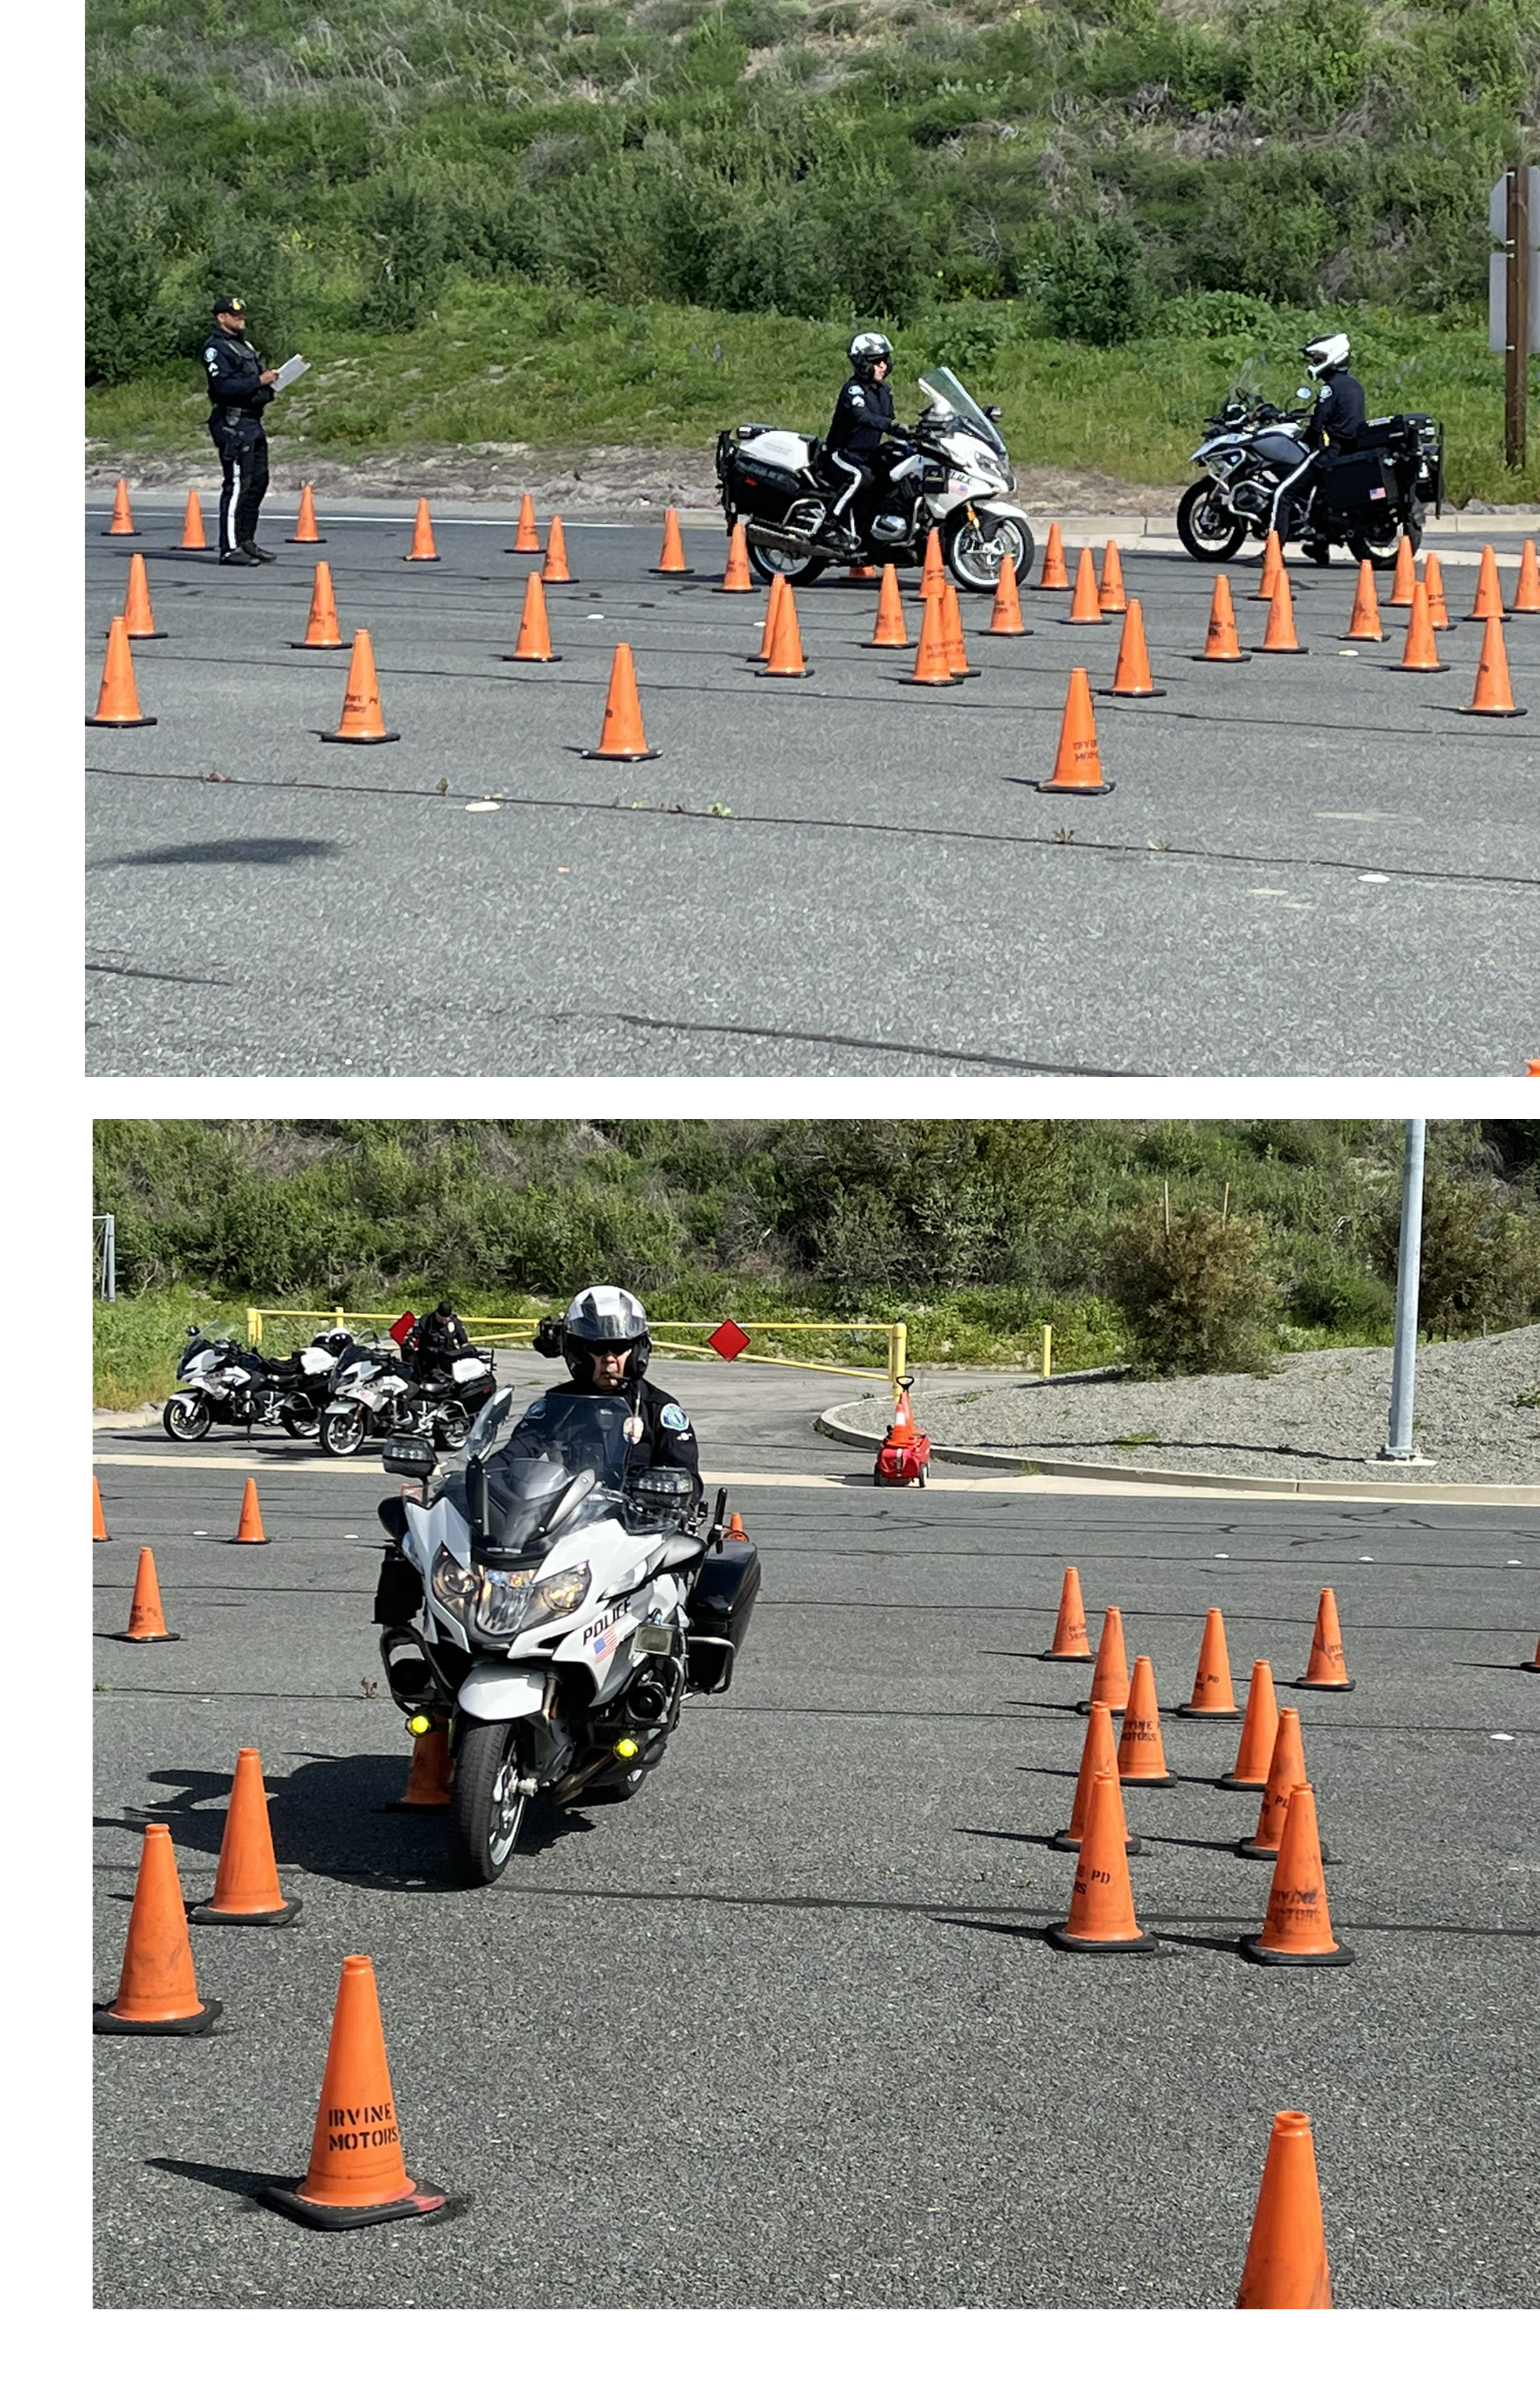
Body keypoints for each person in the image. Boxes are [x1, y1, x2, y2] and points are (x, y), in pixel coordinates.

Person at [540, 1286, 702, 1495]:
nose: (609, 1359)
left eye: (619, 1347)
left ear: (637, 1350)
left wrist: (654, 1492)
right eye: (597, 1348)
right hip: (566, 1518)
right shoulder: (557, 1405)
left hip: (641, 1523)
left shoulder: (658, 1410)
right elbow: (516, 1454)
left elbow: (689, 1481)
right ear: (577, 1351)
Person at [1270, 331, 1368, 553]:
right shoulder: (1355, 386)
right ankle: (1319, 546)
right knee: (1319, 496)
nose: (1315, 364)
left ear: (1332, 357)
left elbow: (1318, 423)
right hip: (1349, 450)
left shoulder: (1330, 388)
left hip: (1330, 451)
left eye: (1318, 359)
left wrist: (1305, 438)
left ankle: (1272, 552)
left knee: (1284, 493)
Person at [203, 295, 279, 565]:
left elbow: (251, 382)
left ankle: (246, 539)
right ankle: (229, 548)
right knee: (236, 485)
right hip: (232, 424)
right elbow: (223, 387)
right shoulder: (216, 349)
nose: (241, 319)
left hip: (253, 422)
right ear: (221, 317)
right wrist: (259, 380)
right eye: (235, 315)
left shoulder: (243, 346)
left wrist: (270, 384)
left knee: (258, 482)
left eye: (242, 315)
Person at [821, 331, 898, 558]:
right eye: (876, 361)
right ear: (862, 363)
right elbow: (862, 415)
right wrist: (892, 426)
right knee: (858, 478)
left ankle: (871, 533)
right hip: (841, 454)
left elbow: (890, 421)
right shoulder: (853, 390)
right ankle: (828, 526)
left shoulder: (884, 391)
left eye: (885, 359)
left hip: (867, 455)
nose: (883, 365)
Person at [402, 1301, 471, 1378]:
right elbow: (412, 1337)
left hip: (448, 1358)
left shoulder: (454, 1322)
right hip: (429, 1361)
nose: (446, 1321)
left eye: (447, 1319)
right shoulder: (426, 1320)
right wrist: (409, 1342)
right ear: (437, 1314)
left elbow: (464, 1342)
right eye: (443, 1319)